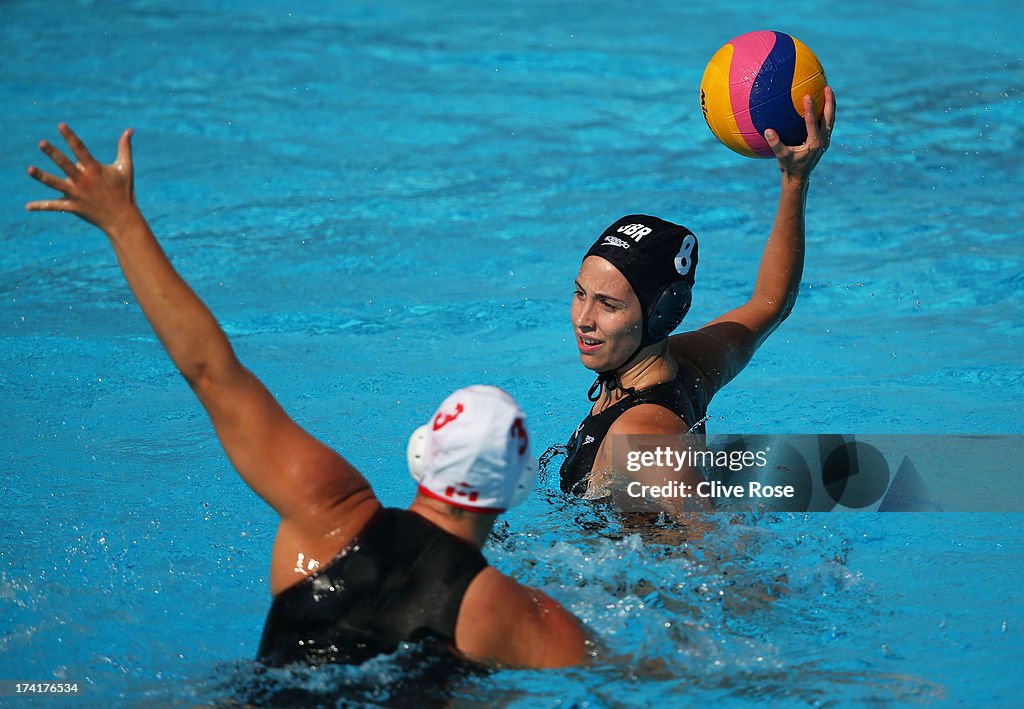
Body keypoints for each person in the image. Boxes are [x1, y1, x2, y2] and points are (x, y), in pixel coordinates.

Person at [25, 125, 588, 669]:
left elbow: (211, 372)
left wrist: (121, 220)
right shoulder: (526, 621)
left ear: (421, 455)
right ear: (517, 489)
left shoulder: (327, 510)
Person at [560, 89, 837, 498]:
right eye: (581, 294)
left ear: (660, 314)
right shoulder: (691, 366)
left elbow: (714, 545)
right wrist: (795, 180)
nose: (584, 318)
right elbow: (770, 304)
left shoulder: (645, 435)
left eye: (609, 304)